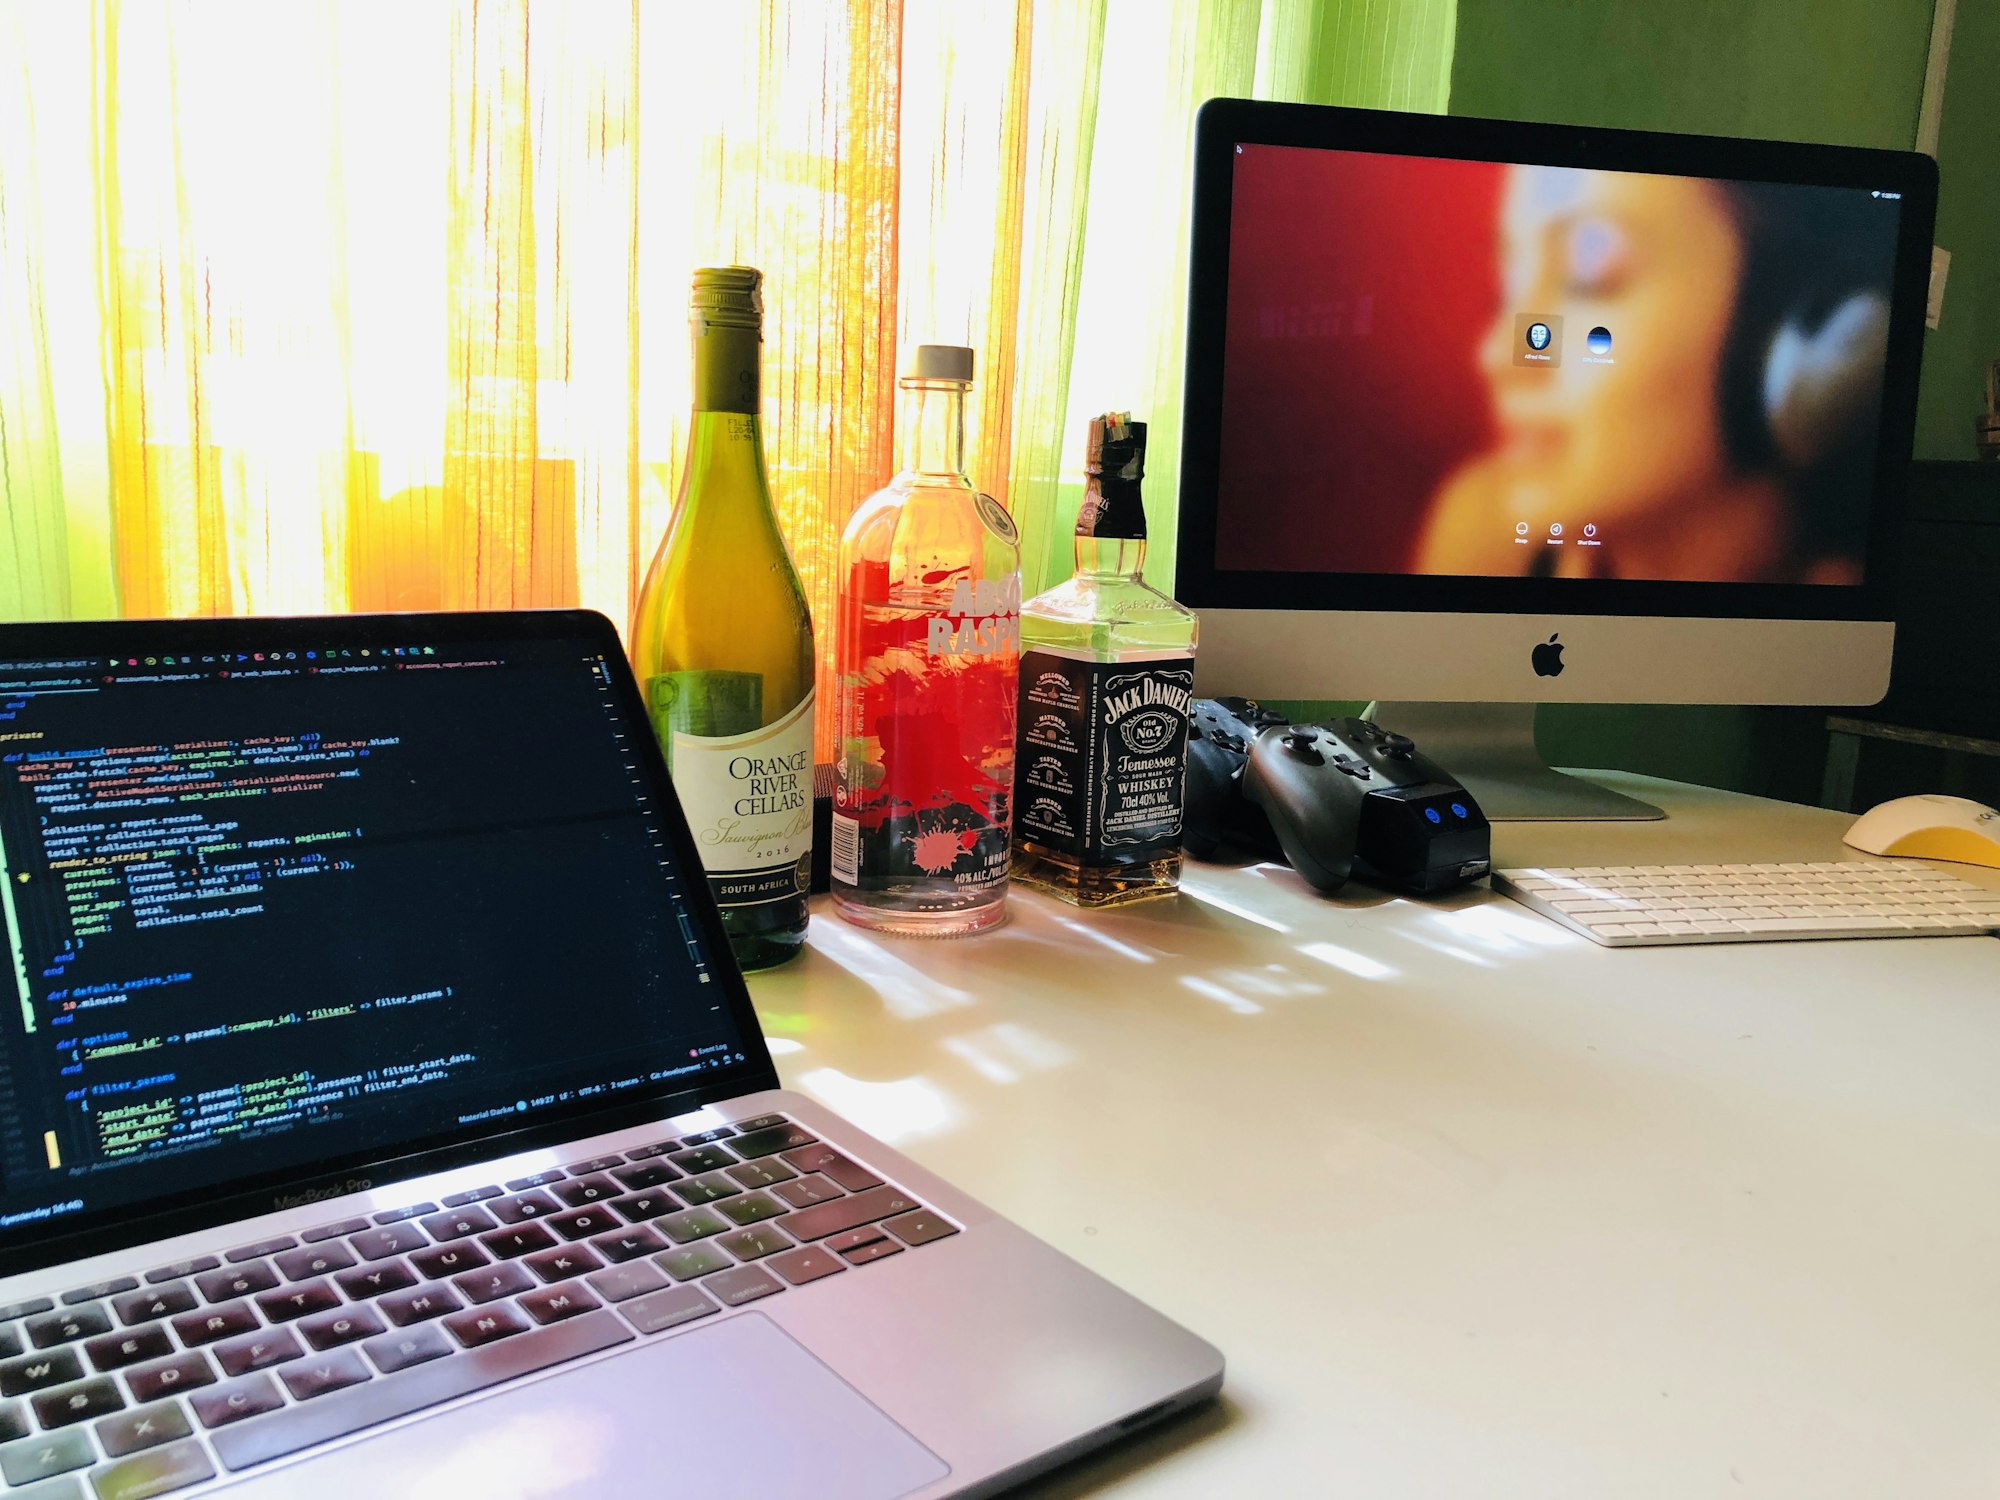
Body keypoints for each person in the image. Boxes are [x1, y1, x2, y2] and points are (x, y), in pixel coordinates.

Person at [1414, 165, 1889, 584]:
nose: (1499, 355)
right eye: (1508, 287)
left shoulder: (1828, 649)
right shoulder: (1481, 534)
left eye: (1590, 272)